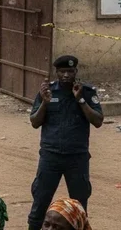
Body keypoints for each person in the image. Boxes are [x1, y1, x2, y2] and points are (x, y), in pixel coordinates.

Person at [27, 56, 103, 230]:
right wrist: (44, 103)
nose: (66, 75)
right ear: (57, 73)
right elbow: (34, 122)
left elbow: (98, 121)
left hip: (77, 158)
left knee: (79, 207)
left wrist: (81, 100)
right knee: (39, 205)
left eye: (70, 71)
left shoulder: (87, 92)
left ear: (76, 72)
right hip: (50, 157)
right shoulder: (47, 92)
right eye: (62, 72)